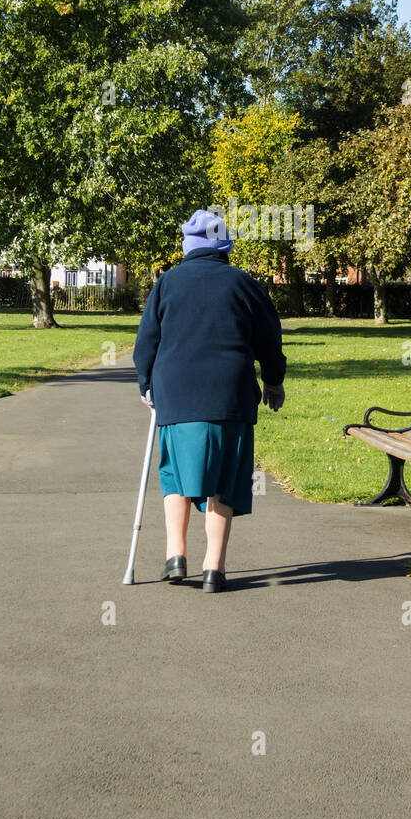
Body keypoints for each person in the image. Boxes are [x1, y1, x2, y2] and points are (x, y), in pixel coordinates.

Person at [133, 209, 286, 593]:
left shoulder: (166, 283)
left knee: (175, 475)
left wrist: (146, 383)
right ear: (225, 244)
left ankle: (175, 556)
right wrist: (273, 381)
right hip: (229, 395)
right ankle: (213, 569)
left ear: (188, 244)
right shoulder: (244, 284)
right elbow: (270, 340)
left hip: (176, 394)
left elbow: (146, 343)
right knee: (225, 480)